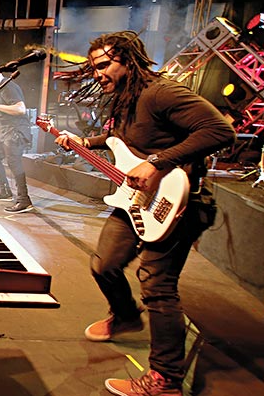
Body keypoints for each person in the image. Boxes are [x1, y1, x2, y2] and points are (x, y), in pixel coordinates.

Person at [55, 31, 235, 396]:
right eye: (94, 67)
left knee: (156, 284)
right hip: (136, 199)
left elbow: (220, 130)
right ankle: (124, 317)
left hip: (178, 201)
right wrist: (85, 142)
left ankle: (165, 380)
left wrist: (157, 163)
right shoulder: (126, 99)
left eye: (104, 64)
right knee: (103, 264)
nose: (97, 73)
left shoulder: (161, 92)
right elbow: (127, 141)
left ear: (128, 60)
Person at [0, 60, 34, 213]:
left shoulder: (8, 86)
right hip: (5, 131)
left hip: (16, 131)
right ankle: (5, 191)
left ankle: (24, 200)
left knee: (14, 163)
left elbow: (20, 109)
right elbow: (2, 116)